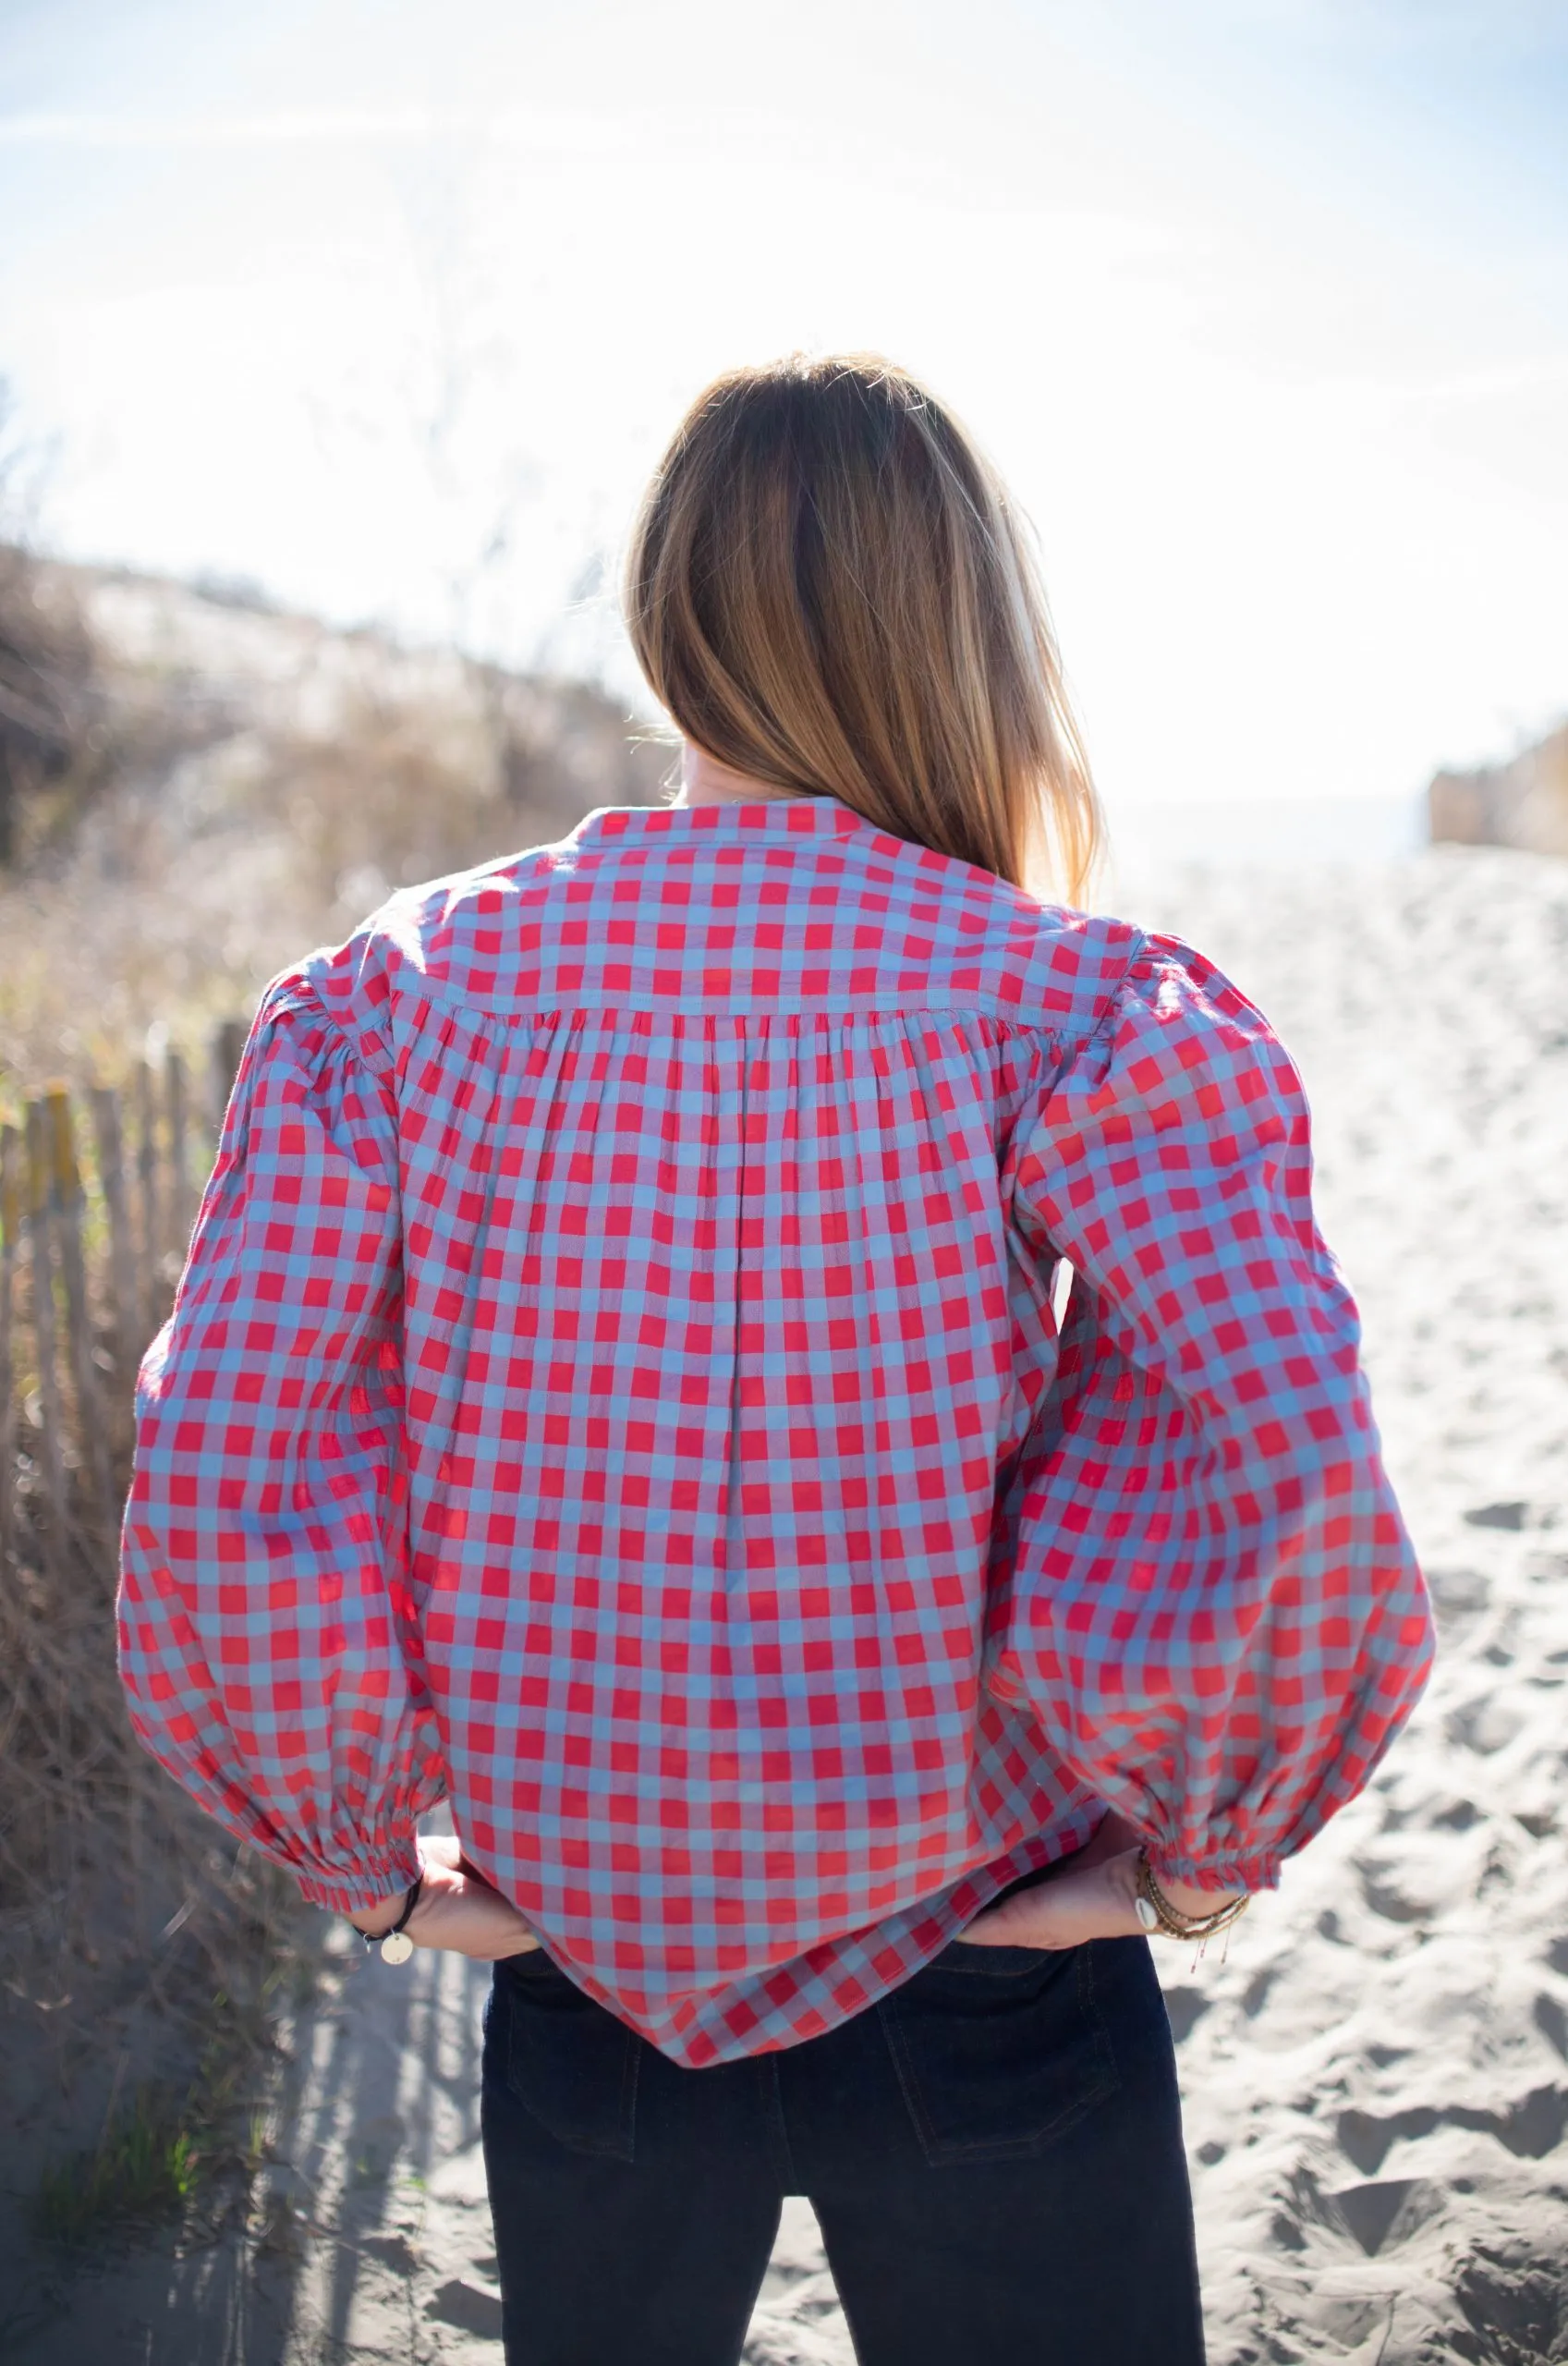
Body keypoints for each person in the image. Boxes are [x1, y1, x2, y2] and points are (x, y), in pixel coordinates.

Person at [118, 353, 1434, 2365]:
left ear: (663, 614)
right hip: (985, 1954)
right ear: (958, 628)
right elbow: (1288, 1465)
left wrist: (358, 1858)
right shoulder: (1068, 1003)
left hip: (585, 1967)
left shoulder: (392, 997)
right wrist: (1194, 1852)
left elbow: (218, 1462)